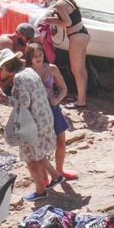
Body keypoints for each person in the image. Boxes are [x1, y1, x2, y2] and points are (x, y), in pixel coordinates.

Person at [1, 56, 58, 197]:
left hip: (32, 121)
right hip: (44, 116)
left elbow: (24, 103)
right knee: (37, 153)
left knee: (29, 157)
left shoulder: (19, 78)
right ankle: (53, 177)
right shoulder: (30, 71)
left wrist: (4, 99)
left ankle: (42, 189)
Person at [28, 47, 74, 184]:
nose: (38, 57)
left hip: (53, 108)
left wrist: (57, 99)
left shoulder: (52, 69)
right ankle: (44, 178)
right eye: (35, 55)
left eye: (40, 54)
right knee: (40, 145)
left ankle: (60, 170)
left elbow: (64, 88)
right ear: (29, 57)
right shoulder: (27, 73)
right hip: (37, 112)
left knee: (61, 141)